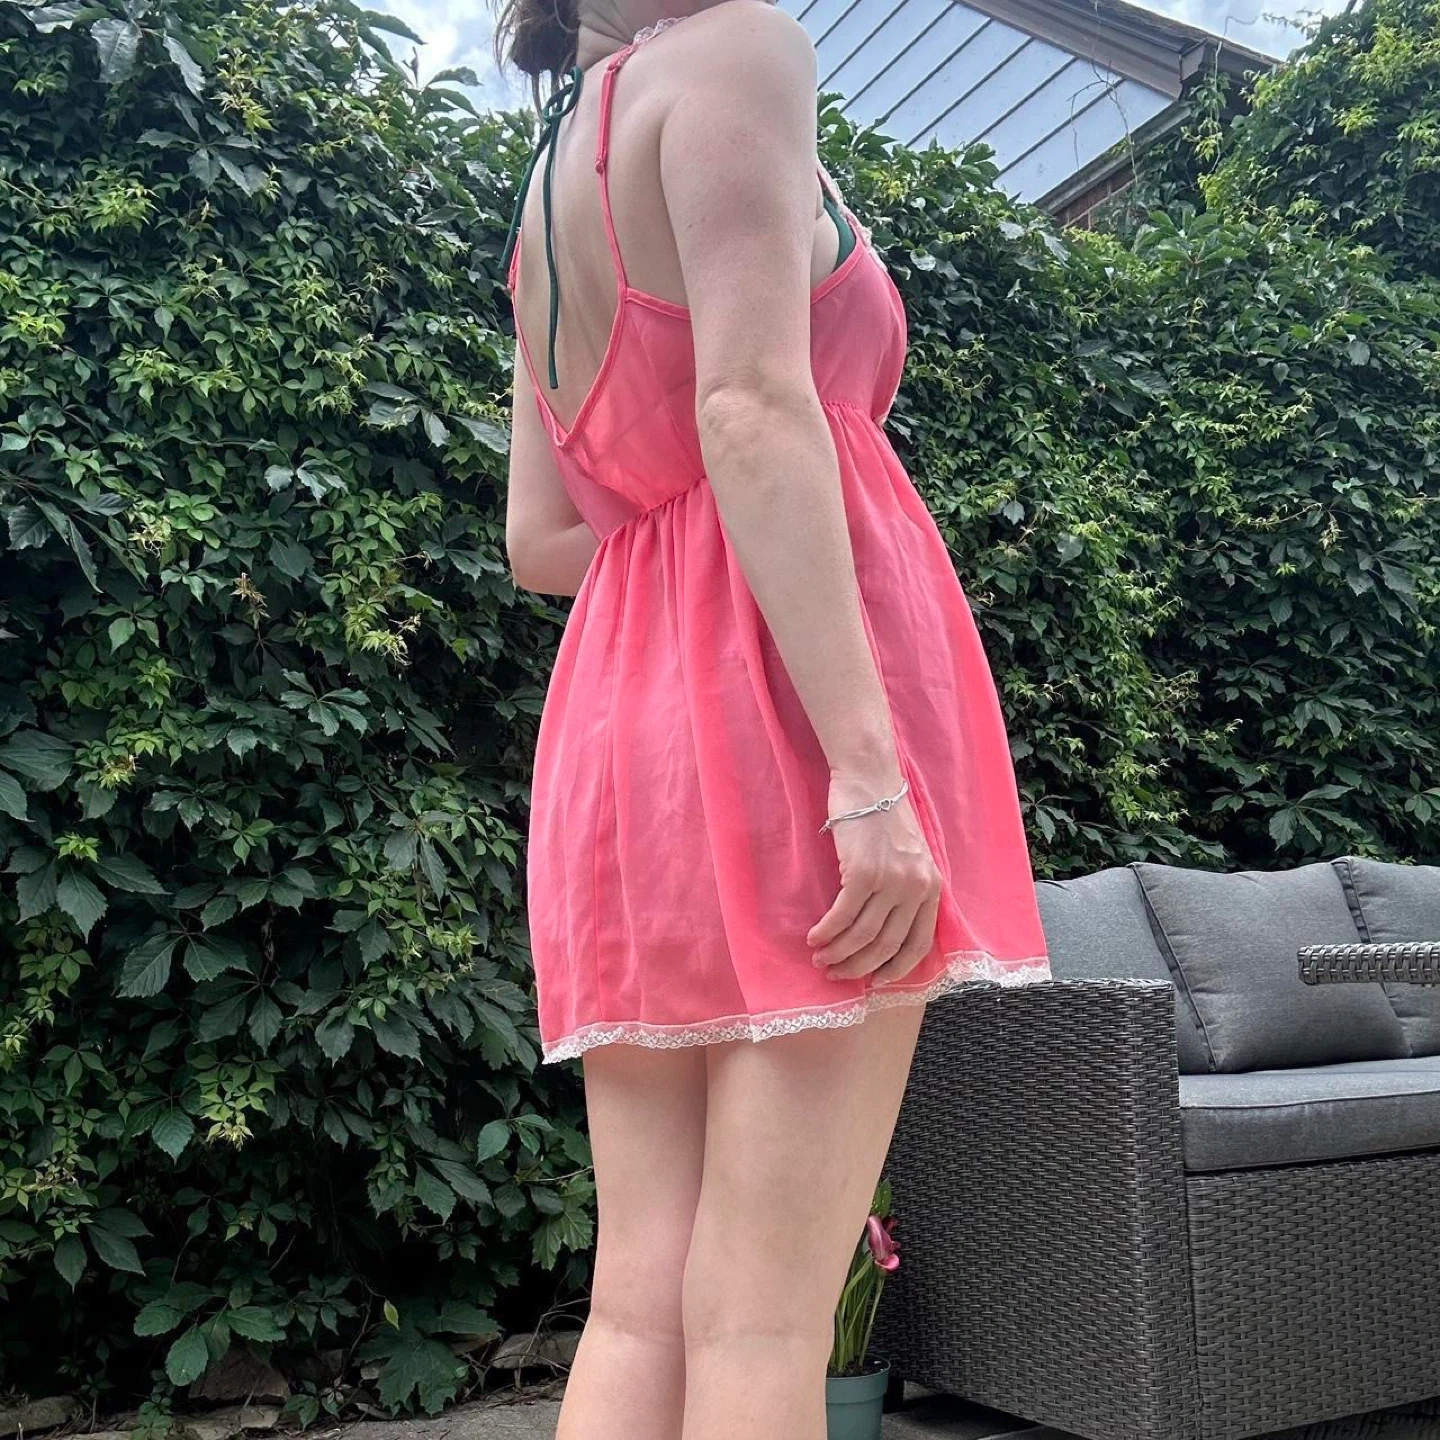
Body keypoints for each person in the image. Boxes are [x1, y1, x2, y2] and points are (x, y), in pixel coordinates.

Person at [492, 2, 1052, 1435]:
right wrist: (867, 771)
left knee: (640, 1304)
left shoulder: (551, 188)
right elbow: (749, 402)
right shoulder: (738, 49)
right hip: (784, 720)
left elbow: (540, 542)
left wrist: (679, 530)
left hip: (628, 736)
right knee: (762, 1313)